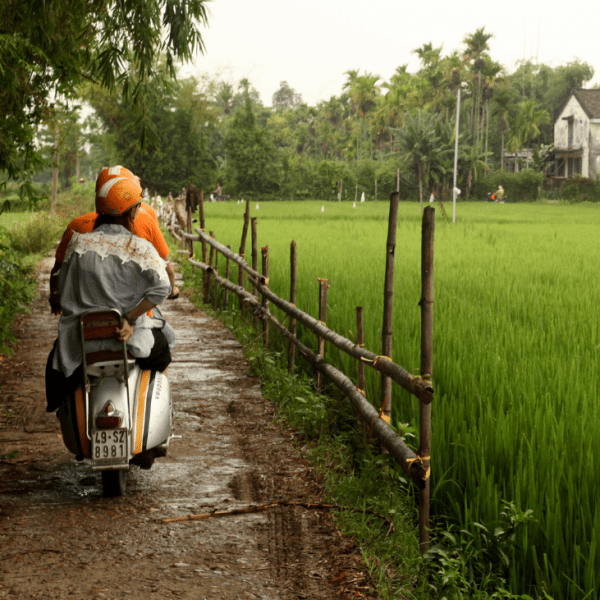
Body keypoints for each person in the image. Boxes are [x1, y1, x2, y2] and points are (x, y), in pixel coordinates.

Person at [45, 177, 176, 412]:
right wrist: (131, 317)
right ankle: (156, 409)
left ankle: (58, 407)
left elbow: (64, 288)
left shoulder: (77, 245)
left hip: (81, 344)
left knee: (54, 363)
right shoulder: (139, 248)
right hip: (129, 341)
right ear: (133, 212)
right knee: (163, 351)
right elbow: (162, 288)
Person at [49, 166, 179, 315]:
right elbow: (164, 283)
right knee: (167, 336)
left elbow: (61, 276)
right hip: (133, 322)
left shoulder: (77, 238)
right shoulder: (142, 244)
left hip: (82, 325)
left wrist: (55, 299)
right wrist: (130, 319)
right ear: (132, 209)